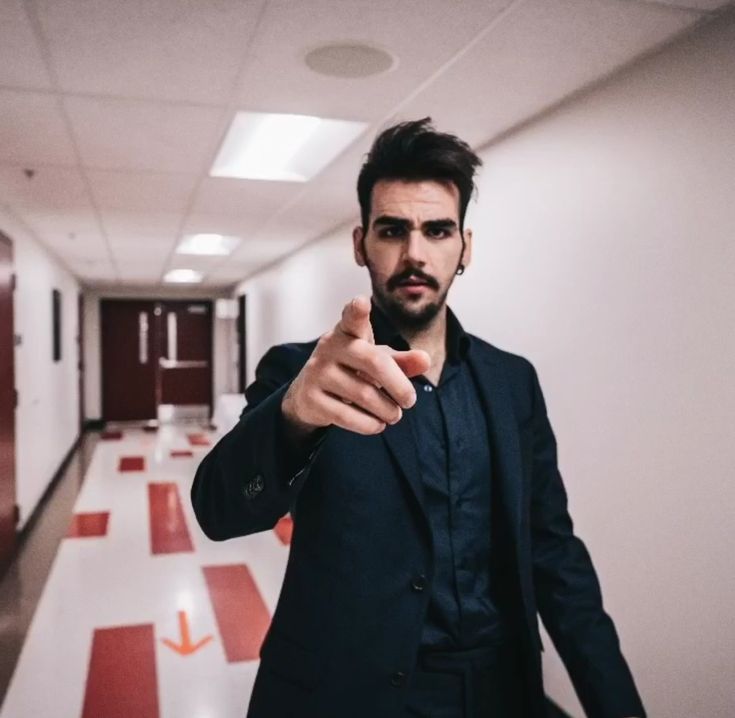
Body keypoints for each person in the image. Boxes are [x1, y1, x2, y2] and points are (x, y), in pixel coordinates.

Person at [191, 118, 646, 718]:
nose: (414, 254)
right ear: (361, 244)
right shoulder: (302, 373)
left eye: (437, 230)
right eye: (392, 231)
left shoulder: (513, 383)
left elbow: (555, 555)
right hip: (348, 695)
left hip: (496, 691)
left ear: (465, 247)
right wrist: (294, 416)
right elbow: (220, 511)